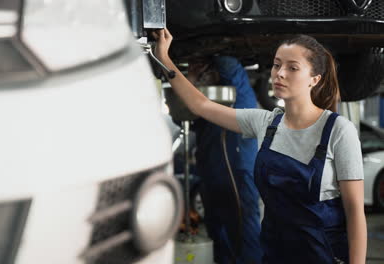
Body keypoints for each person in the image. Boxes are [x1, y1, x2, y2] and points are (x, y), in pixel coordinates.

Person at [153, 28, 367, 264]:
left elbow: (355, 211)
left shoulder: (339, 131)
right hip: (274, 254)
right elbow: (201, 105)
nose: (280, 74)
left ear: (314, 79)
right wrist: (165, 59)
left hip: (323, 256)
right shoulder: (265, 123)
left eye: (292, 68)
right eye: (277, 65)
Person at [187, 56, 262, 264]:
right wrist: (191, 79)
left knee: (244, 233)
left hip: (237, 173)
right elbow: (183, 115)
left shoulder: (239, 99)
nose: (204, 81)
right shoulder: (206, 107)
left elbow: (231, 68)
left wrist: (215, 52)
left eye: (207, 75)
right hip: (210, 175)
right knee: (217, 234)